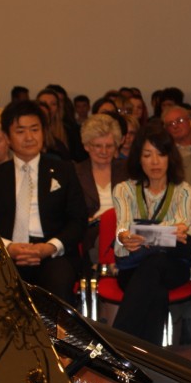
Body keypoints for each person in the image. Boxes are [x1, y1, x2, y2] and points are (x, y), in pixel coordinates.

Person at [0, 100, 87, 305]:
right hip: (8, 254)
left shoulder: (64, 171)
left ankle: (53, 329)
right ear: (7, 137)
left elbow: (78, 220)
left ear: (43, 132)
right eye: (20, 131)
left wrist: (50, 247)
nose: (29, 137)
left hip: (52, 254)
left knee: (58, 282)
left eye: (34, 129)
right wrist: (9, 247)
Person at [112, 125, 191, 345]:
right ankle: (148, 360)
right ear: (138, 159)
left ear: (170, 157)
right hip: (133, 267)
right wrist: (124, 236)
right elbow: (123, 227)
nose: (155, 162)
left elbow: (181, 230)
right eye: (147, 155)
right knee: (155, 289)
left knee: (156, 262)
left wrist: (140, 230)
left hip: (174, 267)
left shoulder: (184, 191)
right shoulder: (124, 189)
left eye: (161, 154)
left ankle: (116, 344)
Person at [75, 114, 129, 274]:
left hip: (124, 228)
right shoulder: (75, 172)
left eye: (109, 146)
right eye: (98, 146)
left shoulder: (127, 170)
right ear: (86, 146)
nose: (104, 151)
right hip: (91, 232)